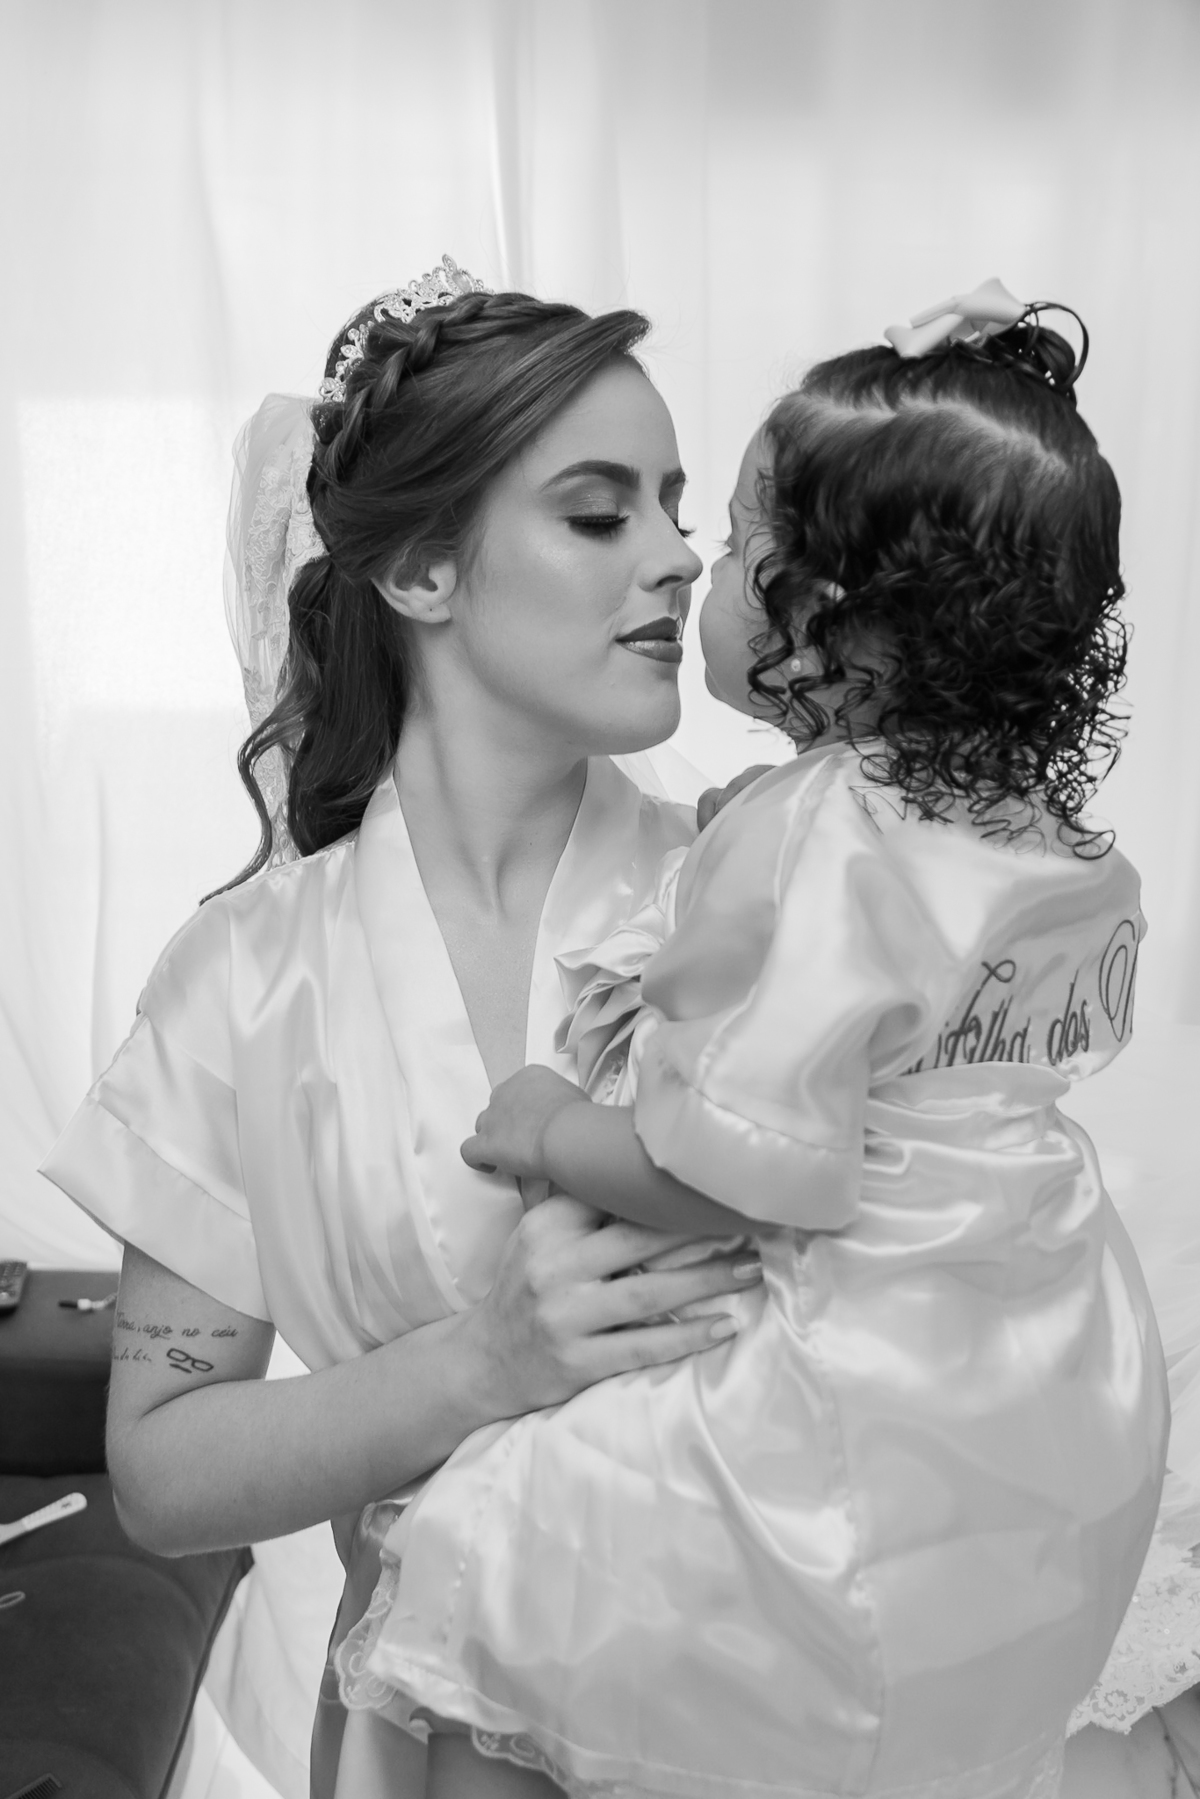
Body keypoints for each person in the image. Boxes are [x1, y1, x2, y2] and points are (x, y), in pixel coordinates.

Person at [336, 285, 1171, 1799]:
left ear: (829, 617)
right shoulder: (1049, 844)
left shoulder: (811, 844)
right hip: (1043, 1372)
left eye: (727, 538)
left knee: (509, 1549)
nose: (694, 568)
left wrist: (544, 1121)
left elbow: (733, 1177)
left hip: (856, 1379)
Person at [38, 262, 764, 1798]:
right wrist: (486, 1359)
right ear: (424, 570)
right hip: (419, 1752)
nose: (677, 558)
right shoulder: (245, 981)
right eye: (600, 513)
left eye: (677, 507)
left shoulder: (758, 899)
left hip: (761, 1726)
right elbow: (163, 1471)